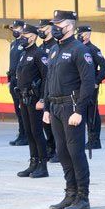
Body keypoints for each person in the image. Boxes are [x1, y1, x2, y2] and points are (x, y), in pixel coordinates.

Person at [44, 10, 95, 209]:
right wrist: (47, 107)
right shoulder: (54, 50)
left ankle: (83, 197)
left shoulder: (79, 49)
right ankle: (70, 193)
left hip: (71, 107)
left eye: (59, 23)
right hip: (55, 107)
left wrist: (79, 110)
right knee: (62, 152)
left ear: (70, 26)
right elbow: (49, 80)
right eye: (54, 23)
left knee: (75, 152)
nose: (55, 27)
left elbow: (88, 82)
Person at [15, 24, 49, 178]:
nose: (22, 36)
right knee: (28, 132)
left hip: (35, 99)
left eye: (26, 34)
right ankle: (33, 162)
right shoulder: (23, 54)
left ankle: (42, 165)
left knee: (37, 132)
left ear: (34, 36)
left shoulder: (39, 53)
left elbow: (46, 78)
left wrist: (42, 99)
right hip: (23, 98)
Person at [76, 25, 105, 150]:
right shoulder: (77, 48)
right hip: (78, 86)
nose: (79, 36)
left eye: (81, 33)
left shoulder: (93, 49)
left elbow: (104, 67)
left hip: (91, 86)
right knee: (79, 111)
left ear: (88, 35)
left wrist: (96, 81)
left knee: (91, 112)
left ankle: (94, 140)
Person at [38, 19, 57, 161]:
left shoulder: (55, 46)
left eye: (43, 28)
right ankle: (50, 147)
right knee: (45, 124)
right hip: (43, 90)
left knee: (54, 125)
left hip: (54, 89)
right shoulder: (40, 47)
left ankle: (57, 150)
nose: (40, 30)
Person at [7, 20, 28, 146]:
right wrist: (9, 80)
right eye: (13, 28)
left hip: (21, 80)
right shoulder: (13, 43)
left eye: (17, 28)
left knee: (23, 109)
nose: (14, 30)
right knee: (17, 109)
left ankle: (26, 134)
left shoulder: (25, 43)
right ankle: (21, 133)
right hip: (13, 79)